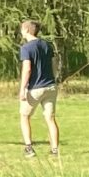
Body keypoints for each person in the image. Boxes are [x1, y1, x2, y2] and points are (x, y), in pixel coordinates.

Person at [17, 18, 60, 157]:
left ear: (26, 30)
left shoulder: (26, 48)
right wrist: (54, 78)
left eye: (22, 29)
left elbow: (27, 69)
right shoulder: (47, 45)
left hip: (35, 88)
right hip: (51, 86)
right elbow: (54, 64)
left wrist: (22, 89)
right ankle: (55, 150)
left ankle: (29, 148)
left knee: (24, 116)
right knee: (50, 118)